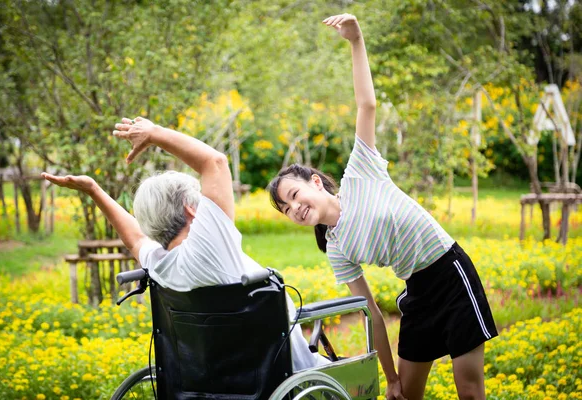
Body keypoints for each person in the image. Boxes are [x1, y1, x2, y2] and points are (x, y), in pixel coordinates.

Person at [267, 13, 497, 400]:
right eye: (286, 210)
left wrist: (356, 42)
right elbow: (372, 312)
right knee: (405, 394)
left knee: (470, 391)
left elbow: (366, 104)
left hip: (451, 274)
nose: (294, 209)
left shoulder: (361, 173)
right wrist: (390, 378)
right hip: (419, 292)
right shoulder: (338, 248)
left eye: (294, 196)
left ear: (316, 182)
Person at [42, 116, 329, 372]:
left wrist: (94, 190)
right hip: (285, 376)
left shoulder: (160, 266)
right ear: (192, 210)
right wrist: (153, 134)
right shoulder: (210, 249)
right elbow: (214, 162)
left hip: (217, 384)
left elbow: (136, 239)